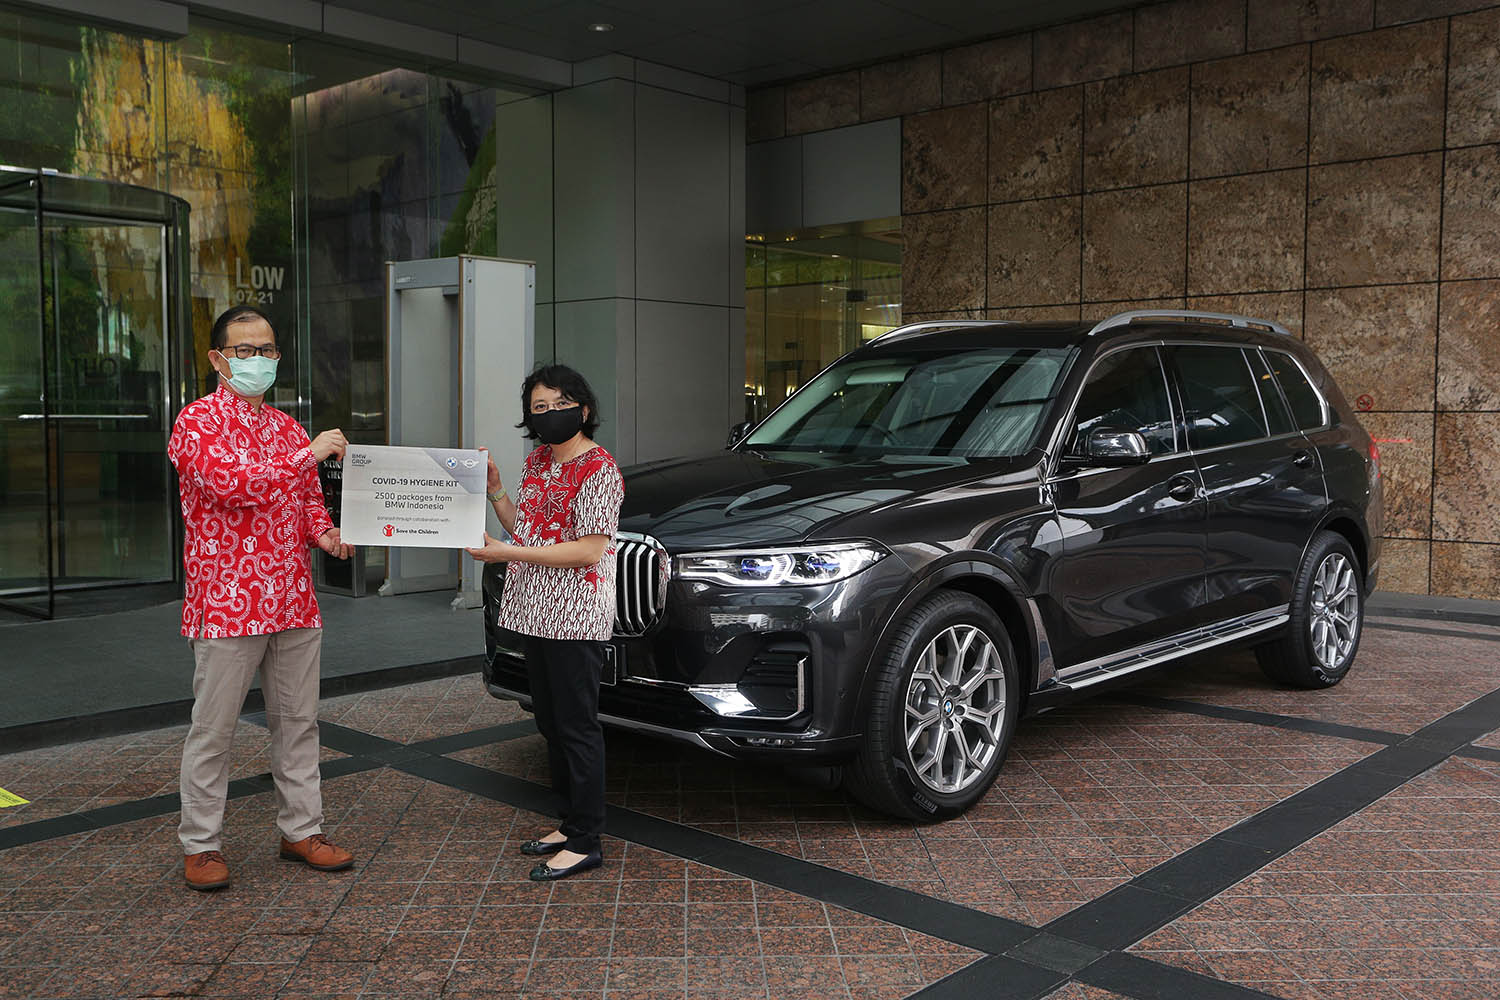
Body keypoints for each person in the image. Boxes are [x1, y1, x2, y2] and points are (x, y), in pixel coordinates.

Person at [167, 304, 356, 891]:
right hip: (227, 601)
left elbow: (307, 503)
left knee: (298, 722)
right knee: (214, 729)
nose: (258, 360)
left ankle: (302, 830)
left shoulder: (287, 427)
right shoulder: (196, 422)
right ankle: (201, 844)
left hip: (293, 596)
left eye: (267, 350)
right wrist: (308, 455)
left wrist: (326, 535)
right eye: (244, 350)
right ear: (218, 359)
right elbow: (231, 485)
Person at [467, 364, 624, 882]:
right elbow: (528, 530)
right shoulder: (537, 461)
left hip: (575, 614)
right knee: (550, 723)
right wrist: (496, 491)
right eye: (539, 407)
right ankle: (569, 822)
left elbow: (588, 550)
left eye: (560, 404)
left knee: (577, 726)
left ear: (584, 409)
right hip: (535, 610)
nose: (550, 414)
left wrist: (505, 553)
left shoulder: (600, 469)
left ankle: (586, 840)